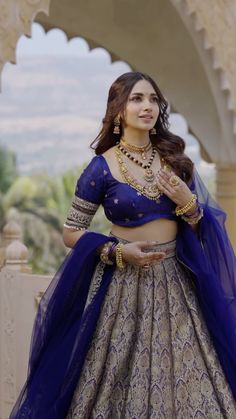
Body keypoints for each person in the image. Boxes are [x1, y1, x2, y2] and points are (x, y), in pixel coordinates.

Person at [10, 72, 236, 419]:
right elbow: (71, 233)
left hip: (178, 285)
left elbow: (200, 225)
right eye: (136, 99)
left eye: (152, 99)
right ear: (118, 111)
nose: (147, 106)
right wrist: (117, 251)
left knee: (195, 383)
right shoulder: (101, 169)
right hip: (123, 287)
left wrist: (187, 202)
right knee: (117, 380)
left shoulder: (175, 160)